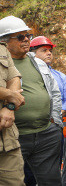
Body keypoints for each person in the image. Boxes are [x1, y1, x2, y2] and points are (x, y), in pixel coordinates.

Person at [0, 16, 63, 186]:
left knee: (52, 181)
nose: (27, 39)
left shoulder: (38, 63)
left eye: (28, 35)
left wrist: (55, 123)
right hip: (15, 136)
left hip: (46, 134)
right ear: (4, 42)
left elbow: (54, 91)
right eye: (20, 37)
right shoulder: (2, 65)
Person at [29, 36, 66, 186]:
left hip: (60, 128)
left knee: (56, 166)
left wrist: (62, 110)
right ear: (33, 53)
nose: (49, 53)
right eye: (44, 50)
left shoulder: (60, 76)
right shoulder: (30, 75)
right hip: (36, 128)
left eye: (50, 50)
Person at [0, 37, 26, 185]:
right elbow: (13, 91)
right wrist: (9, 94)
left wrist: (9, 107)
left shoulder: (2, 49)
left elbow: (14, 78)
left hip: (6, 139)